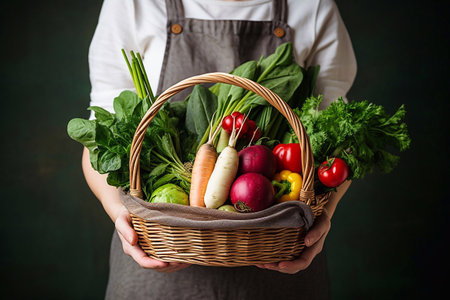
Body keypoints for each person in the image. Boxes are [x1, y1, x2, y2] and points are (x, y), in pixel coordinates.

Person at [83, 0, 356, 299]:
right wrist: (119, 212)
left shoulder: (312, 6)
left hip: (281, 260)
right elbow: (100, 140)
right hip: (157, 259)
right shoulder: (132, 4)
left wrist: (323, 215)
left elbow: (335, 139)